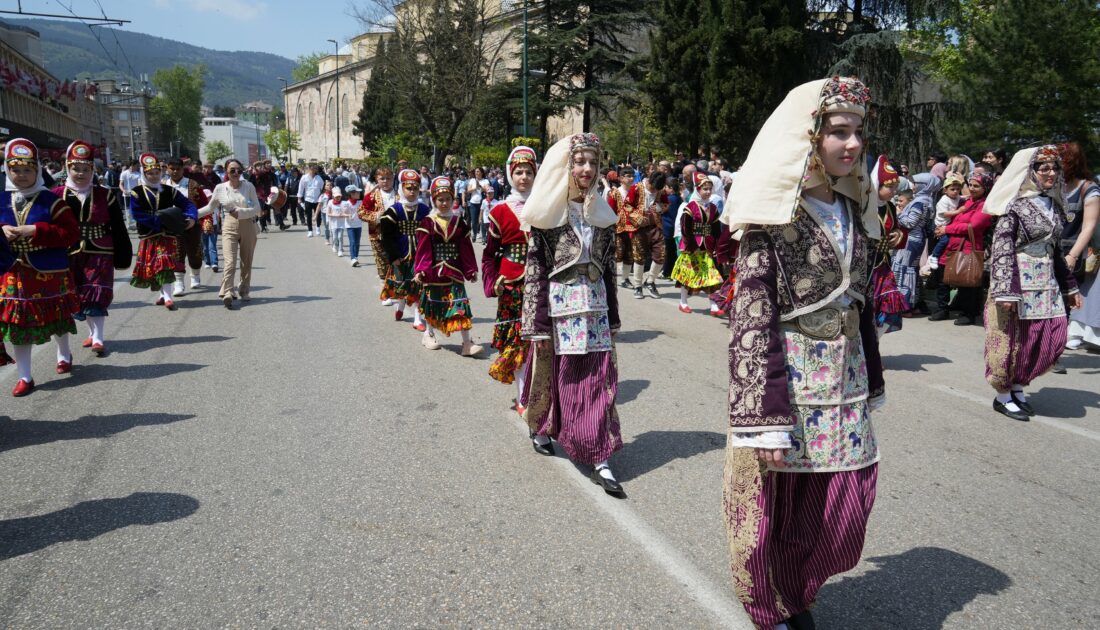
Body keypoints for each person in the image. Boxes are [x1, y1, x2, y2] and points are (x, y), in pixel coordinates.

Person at [721, 77, 884, 630]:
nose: (854, 143)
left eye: (858, 131)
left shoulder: (854, 210)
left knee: (841, 510)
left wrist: (874, 376)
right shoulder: (770, 221)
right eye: (839, 131)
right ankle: (774, 604)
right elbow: (751, 317)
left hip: (845, 383)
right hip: (787, 386)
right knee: (776, 509)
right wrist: (762, 419)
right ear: (808, 139)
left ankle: (798, 587)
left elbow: (860, 306)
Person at [519, 133, 625, 497]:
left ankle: (598, 454)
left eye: (593, 163)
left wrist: (612, 316)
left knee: (597, 379)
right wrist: (536, 321)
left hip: (594, 309)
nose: (587, 169)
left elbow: (609, 270)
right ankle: (543, 427)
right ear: (567, 167)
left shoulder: (602, 216)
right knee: (555, 376)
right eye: (580, 162)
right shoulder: (548, 219)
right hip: (560, 310)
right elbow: (535, 271)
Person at [984, 146, 1081, 421]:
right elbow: (1002, 248)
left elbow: (1056, 251)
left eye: (1055, 168)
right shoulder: (1014, 207)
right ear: (1030, 172)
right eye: (1044, 168)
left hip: (1046, 282)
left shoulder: (1053, 205)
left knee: (1046, 336)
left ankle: (1018, 385)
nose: (1051, 173)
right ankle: (1003, 395)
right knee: (1010, 339)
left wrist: (1070, 287)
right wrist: (1005, 290)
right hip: (1016, 283)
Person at [1, 138, 81, 396]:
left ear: (37, 170)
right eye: (15, 170)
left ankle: (64, 352)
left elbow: (71, 233)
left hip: (48, 269)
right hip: (13, 270)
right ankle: (25, 375)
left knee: (56, 316)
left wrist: (36, 230)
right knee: (18, 324)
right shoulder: (1, 199)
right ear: (7, 169)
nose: (21, 175)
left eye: (27, 170)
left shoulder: (51, 200)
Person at [52, 140, 131, 357]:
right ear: (67, 168)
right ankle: (90, 332)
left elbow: (118, 226)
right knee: (77, 295)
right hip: (69, 252)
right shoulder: (57, 194)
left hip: (101, 250)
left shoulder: (105, 194)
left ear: (93, 170)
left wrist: (123, 255)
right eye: (75, 168)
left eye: (85, 169)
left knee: (96, 292)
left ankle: (98, 337)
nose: (80, 173)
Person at [482, 146, 537, 408]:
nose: (524, 177)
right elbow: (489, 254)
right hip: (512, 285)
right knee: (517, 343)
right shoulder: (500, 211)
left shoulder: (547, 207)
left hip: (542, 282)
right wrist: (492, 281)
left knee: (541, 341)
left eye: (528, 172)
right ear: (509, 175)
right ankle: (523, 394)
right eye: (518, 172)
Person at [413, 177, 482, 355]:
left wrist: (470, 270)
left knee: (460, 306)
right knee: (432, 305)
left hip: (455, 271)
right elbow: (423, 249)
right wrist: (421, 270)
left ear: (453, 200)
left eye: (448, 199)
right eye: (440, 199)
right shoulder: (427, 222)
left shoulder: (460, 223)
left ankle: (467, 343)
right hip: (433, 272)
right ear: (434, 200)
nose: (444, 203)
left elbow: (466, 249)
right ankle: (428, 334)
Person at [129, 153, 198, 311]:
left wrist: (191, 217)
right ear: (144, 174)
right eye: (150, 173)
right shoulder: (136, 192)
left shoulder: (169, 191)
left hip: (167, 234)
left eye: (157, 173)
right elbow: (137, 214)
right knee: (154, 267)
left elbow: (187, 204)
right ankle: (162, 294)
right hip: (149, 234)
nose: (154, 176)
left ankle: (168, 297)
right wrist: (159, 221)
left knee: (164, 263)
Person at [929, 170, 995, 325]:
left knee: (967, 282)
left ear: (985, 188)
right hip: (952, 245)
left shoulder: (985, 205)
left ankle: (968, 313)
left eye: (976, 186)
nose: (971, 188)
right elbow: (956, 219)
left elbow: (973, 226)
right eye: (970, 185)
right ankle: (942, 309)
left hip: (968, 247)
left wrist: (948, 229)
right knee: (943, 279)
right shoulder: (966, 201)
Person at [199, 158, 260, 309]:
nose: (236, 173)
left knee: (246, 261)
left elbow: (257, 208)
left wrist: (240, 212)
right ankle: (227, 291)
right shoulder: (220, 188)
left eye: (239, 170)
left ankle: (244, 290)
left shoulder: (249, 186)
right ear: (226, 171)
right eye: (232, 170)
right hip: (229, 226)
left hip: (248, 225)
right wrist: (191, 214)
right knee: (230, 262)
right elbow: (209, 208)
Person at [379, 169, 431, 329]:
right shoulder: (394, 210)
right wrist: (393, 255)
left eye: (415, 188)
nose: (412, 192)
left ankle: (417, 318)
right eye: (409, 188)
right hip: (400, 253)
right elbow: (386, 236)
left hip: (419, 254)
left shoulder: (424, 210)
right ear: (402, 188)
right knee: (401, 285)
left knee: (418, 285)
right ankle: (400, 306)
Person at [1062, 142, 1100, 350]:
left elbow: (1089, 226)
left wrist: (1074, 255)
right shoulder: (1054, 185)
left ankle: (1055, 349)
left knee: (1064, 302)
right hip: (1049, 251)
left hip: (1071, 254)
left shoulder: (1088, 188)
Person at [868, 155, 910, 335]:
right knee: (867, 309)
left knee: (886, 307)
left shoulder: (890, 207)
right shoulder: (864, 206)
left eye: (895, 187)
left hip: (884, 266)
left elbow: (897, 228)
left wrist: (899, 233)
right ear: (878, 185)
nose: (894, 191)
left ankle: (875, 349)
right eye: (890, 187)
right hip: (866, 266)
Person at [671, 171, 723, 314]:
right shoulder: (690, 207)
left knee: (710, 275)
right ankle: (683, 302)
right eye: (704, 189)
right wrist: (691, 246)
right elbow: (685, 229)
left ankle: (713, 305)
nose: (707, 192)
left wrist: (717, 247)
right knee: (688, 275)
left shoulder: (713, 208)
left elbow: (716, 229)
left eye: (709, 189)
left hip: (707, 246)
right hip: (692, 246)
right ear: (698, 189)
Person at [891, 172, 941, 315]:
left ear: (923, 185)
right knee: (909, 271)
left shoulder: (919, 202)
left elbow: (910, 222)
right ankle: (913, 303)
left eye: (915, 183)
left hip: (910, 241)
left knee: (904, 270)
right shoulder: (927, 200)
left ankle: (905, 306)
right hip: (915, 240)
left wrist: (895, 215)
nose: (912, 186)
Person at [165, 158, 204, 294]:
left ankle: (195, 276)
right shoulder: (162, 185)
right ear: (167, 169)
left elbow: (204, 204)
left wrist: (199, 219)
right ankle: (179, 283)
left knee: (194, 253)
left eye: (178, 169)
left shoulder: (193, 184)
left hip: (192, 224)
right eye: (172, 168)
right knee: (176, 254)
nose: (175, 171)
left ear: (183, 169)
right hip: (171, 227)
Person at [360, 167, 397, 301]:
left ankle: (397, 291)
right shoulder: (371, 196)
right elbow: (361, 212)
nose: (385, 181)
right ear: (377, 179)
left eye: (388, 178)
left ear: (393, 179)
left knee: (396, 263)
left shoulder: (399, 196)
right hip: (377, 235)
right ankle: (385, 295)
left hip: (397, 236)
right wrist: (376, 216)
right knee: (382, 264)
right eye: (382, 178)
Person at [629, 171, 667, 299]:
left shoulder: (661, 191)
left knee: (661, 254)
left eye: (657, 189)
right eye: (653, 187)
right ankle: (638, 285)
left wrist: (659, 208)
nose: (654, 190)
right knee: (639, 256)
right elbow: (627, 206)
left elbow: (666, 205)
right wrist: (637, 217)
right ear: (649, 181)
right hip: (639, 228)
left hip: (655, 226)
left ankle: (650, 281)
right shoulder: (636, 188)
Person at [610, 166, 639, 287]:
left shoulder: (637, 192)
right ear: (621, 178)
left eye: (633, 176)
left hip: (633, 228)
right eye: (628, 176)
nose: (631, 178)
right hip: (618, 228)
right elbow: (611, 210)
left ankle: (625, 279)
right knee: (617, 254)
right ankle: (611, 277)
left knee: (630, 254)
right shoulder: (615, 192)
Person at [297, 164, 324, 237]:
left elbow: (322, 188)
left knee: (318, 215)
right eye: (311, 169)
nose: (312, 171)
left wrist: (322, 197)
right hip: (308, 198)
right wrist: (299, 198)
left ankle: (318, 228)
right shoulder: (304, 177)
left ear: (316, 170)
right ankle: (310, 230)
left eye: (314, 169)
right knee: (308, 215)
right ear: (309, 169)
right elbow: (301, 188)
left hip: (317, 199)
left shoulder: (319, 178)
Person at [327, 187, 350, 257]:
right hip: (333, 223)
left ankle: (340, 250)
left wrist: (344, 215)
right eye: (336, 196)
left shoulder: (344, 203)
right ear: (333, 196)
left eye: (339, 196)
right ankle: (334, 246)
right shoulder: (330, 202)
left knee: (340, 237)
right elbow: (328, 213)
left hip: (341, 224)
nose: (338, 198)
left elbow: (346, 213)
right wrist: (335, 215)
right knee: (335, 237)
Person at [345, 184, 364, 267]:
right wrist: (348, 215)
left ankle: (356, 257)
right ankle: (353, 258)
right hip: (350, 226)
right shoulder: (347, 203)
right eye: (357, 192)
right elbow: (343, 212)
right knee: (352, 241)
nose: (359, 193)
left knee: (357, 242)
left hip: (358, 225)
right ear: (352, 194)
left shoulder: (360, 202)